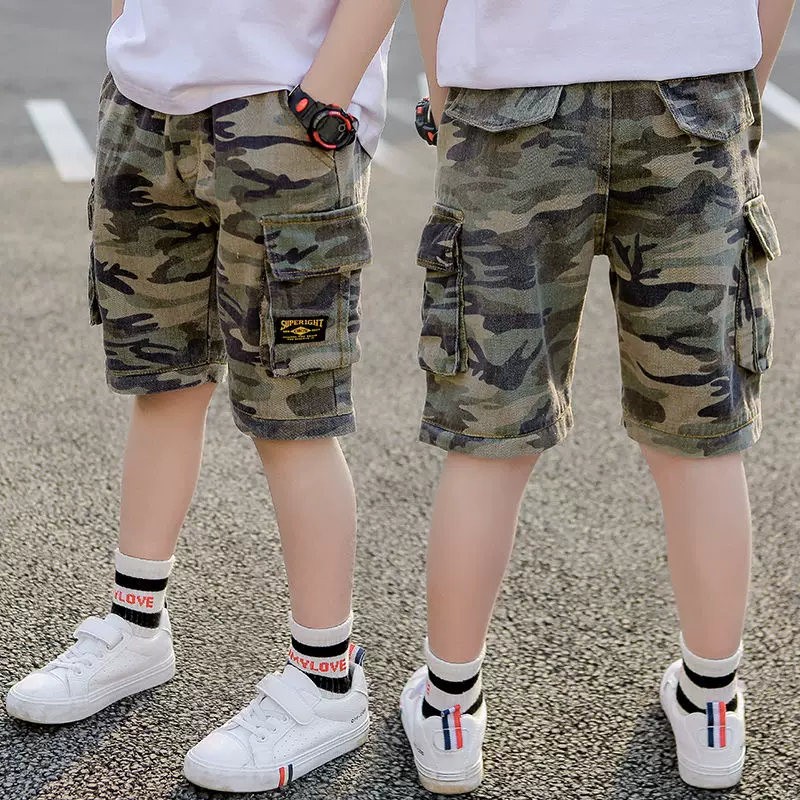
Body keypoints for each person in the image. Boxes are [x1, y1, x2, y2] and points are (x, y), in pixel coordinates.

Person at [5, 0, 400, 793]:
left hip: (282, 115)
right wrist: (132, 48)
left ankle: (327, 678)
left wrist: (322, 96)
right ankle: (134, 626)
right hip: (147, 107)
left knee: (291, 417)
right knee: (162, 386)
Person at [402, 0, 793, 793]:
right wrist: (742, 82)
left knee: (491, 429)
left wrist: (448, 95)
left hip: (512, 96)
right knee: (700, 432)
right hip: (693, 93)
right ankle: (712, 702)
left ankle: (449, 706)